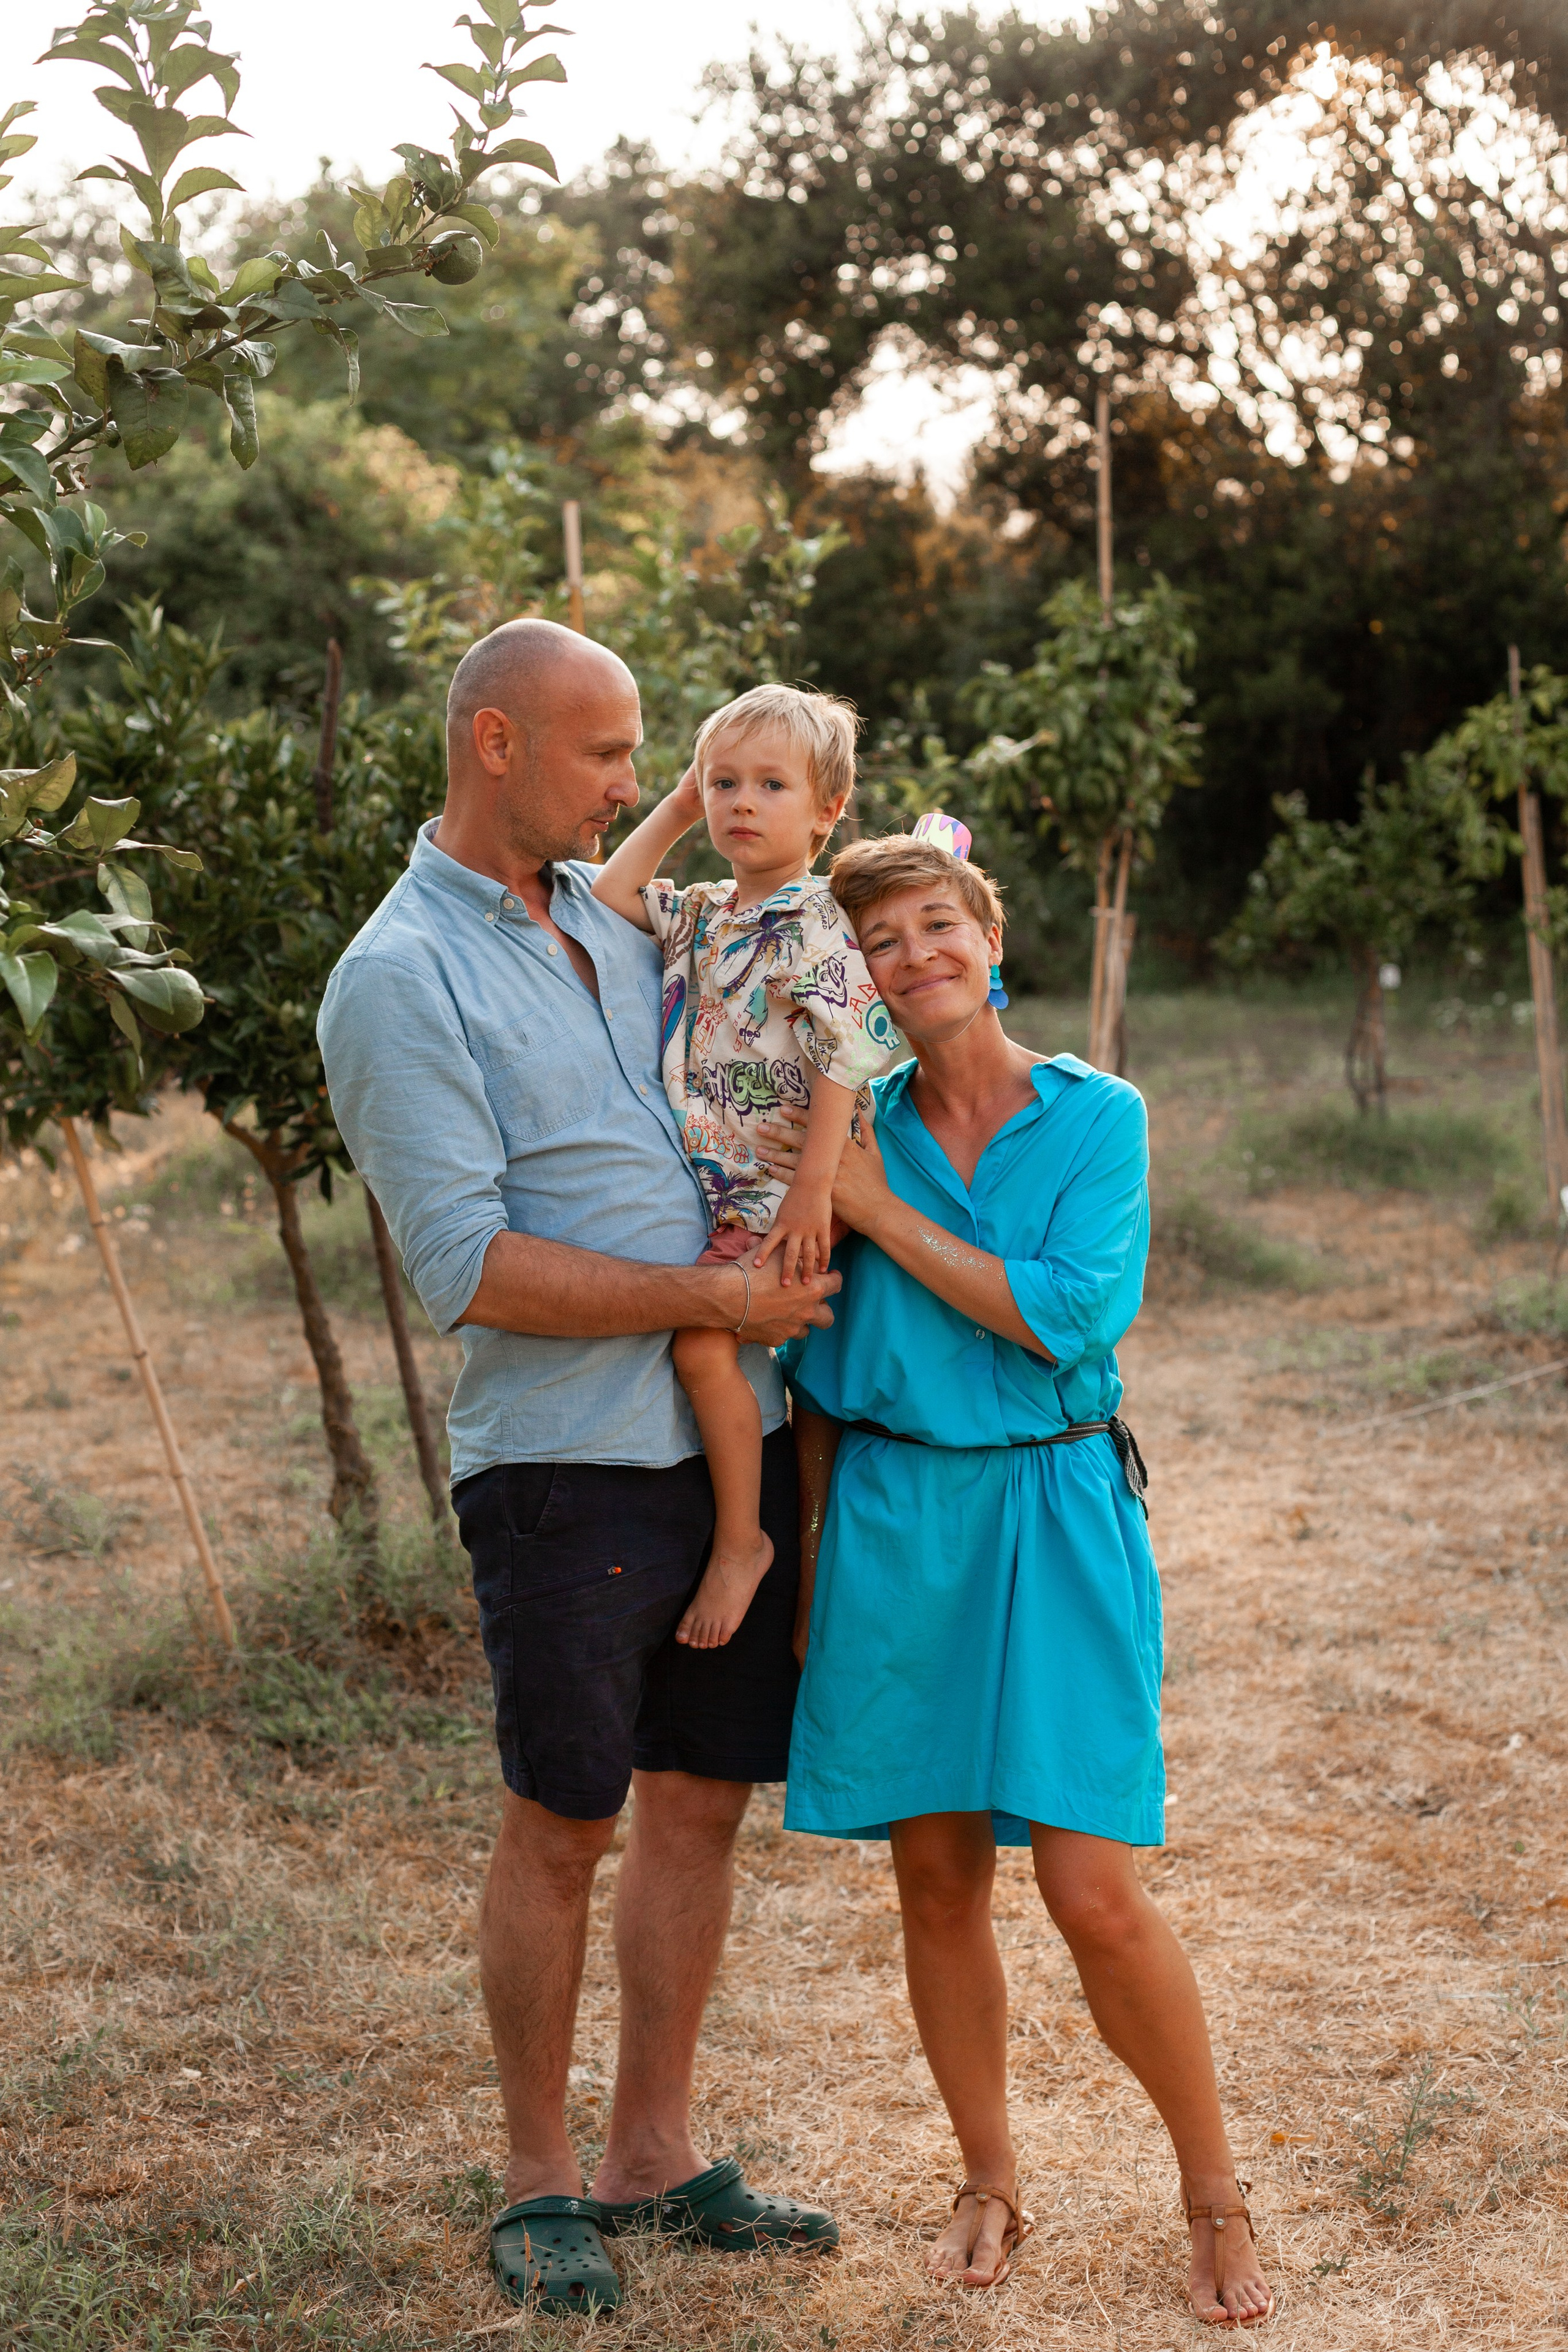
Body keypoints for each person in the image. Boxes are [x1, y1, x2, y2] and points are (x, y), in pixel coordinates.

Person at [317, 620, 844, 2318]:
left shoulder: (616, 923)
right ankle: (540, 2178)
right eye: (615, 755)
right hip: (567, 1469)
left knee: (700, 1804)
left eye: (653, 759)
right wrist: (709, 1296)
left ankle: (654, 2152)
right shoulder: (401, 978)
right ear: (493, 744)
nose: (647, 786)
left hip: (730, 1443)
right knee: (566, 1817)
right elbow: (462, 1265)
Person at [757, 825, 1275, 2328]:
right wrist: (799, 1579)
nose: (912, 957)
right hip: (893, 1514)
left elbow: (1061, 1314)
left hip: (1054, 1506)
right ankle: (986, 2174)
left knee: (1090, 1888)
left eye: (936, 926)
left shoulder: (1094, 1117)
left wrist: (868, 1207)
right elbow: (816, 1383)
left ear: (990, 941)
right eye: (879, 942)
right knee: (932, 1879)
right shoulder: (835, 1129)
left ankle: (1210, 2190)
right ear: (850, 983)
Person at [590, 684, 895, 1649]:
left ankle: (742, 1542)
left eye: (771, 785)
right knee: (745, 1362)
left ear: (827, 811)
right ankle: (788, 1559)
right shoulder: (708, 911)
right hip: (739, 1190)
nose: (741, 803)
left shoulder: (817, 919)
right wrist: (675, 808)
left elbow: (852, 1050)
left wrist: (815, 1192)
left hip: (791, 1188)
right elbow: (606, 897)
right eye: (724, 783)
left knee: (701, 1344)